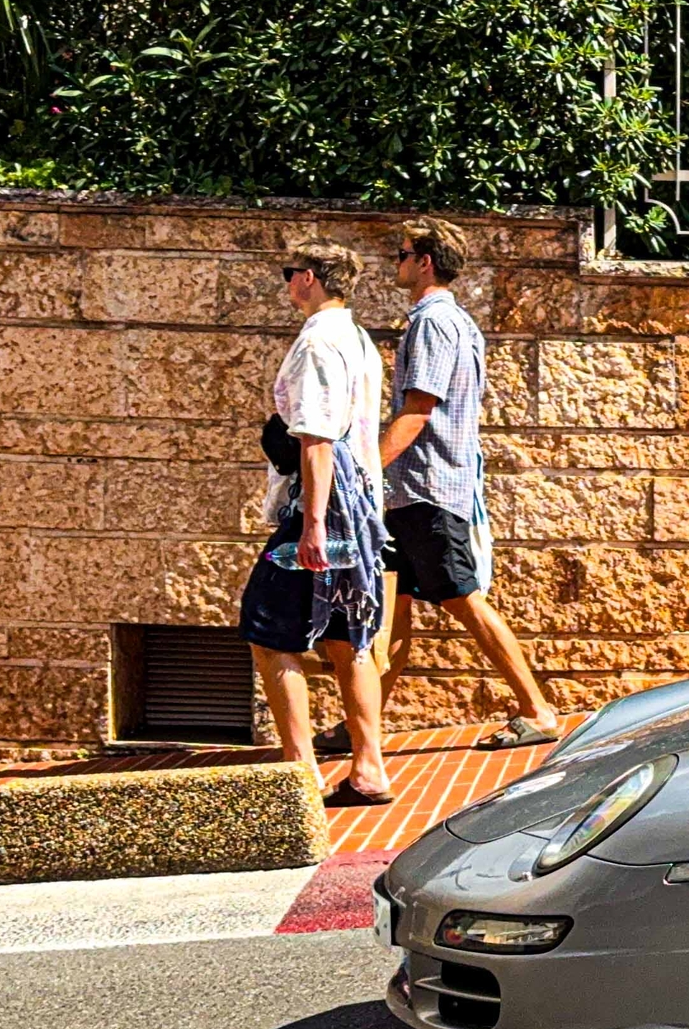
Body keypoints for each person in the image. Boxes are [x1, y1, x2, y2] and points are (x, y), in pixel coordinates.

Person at [378, 217, 561, 749]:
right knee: (395, 608)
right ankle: (365, 727)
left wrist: (368, 468)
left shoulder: (434, 323)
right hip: (415, 488)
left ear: (425, 261)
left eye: (402, 252)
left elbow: (419, 409)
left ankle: (537, 709)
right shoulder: (454, 321)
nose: (397, 260)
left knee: (464, 598)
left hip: (427, 487)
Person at [239, 238, 392, 803]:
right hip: (360, 505)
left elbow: (318, 441)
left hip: (322, 506)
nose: (286, 282)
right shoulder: (357, 338)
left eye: (290, 272)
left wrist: (311, 526)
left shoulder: (317, 343)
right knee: (345, 632)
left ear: (311, 278)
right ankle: (369, 767)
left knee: (265, 627)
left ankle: (296, 772)